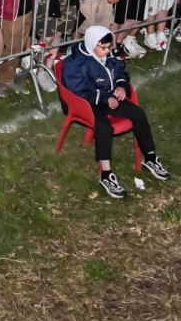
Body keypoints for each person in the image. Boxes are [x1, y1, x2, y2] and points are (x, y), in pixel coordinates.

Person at [60, 26, 169, 199]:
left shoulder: (108, 54)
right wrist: (104, 98)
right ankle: (106, 173)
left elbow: (121, 73)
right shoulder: (76, 62)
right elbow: (78, 90)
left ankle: (150, 157)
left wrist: (121, 87)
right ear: (91, 45)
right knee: (104, 128)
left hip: (109, 97)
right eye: (102, 48)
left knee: (138, 115)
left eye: (108, 47)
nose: (106, 51)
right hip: (86, 103)